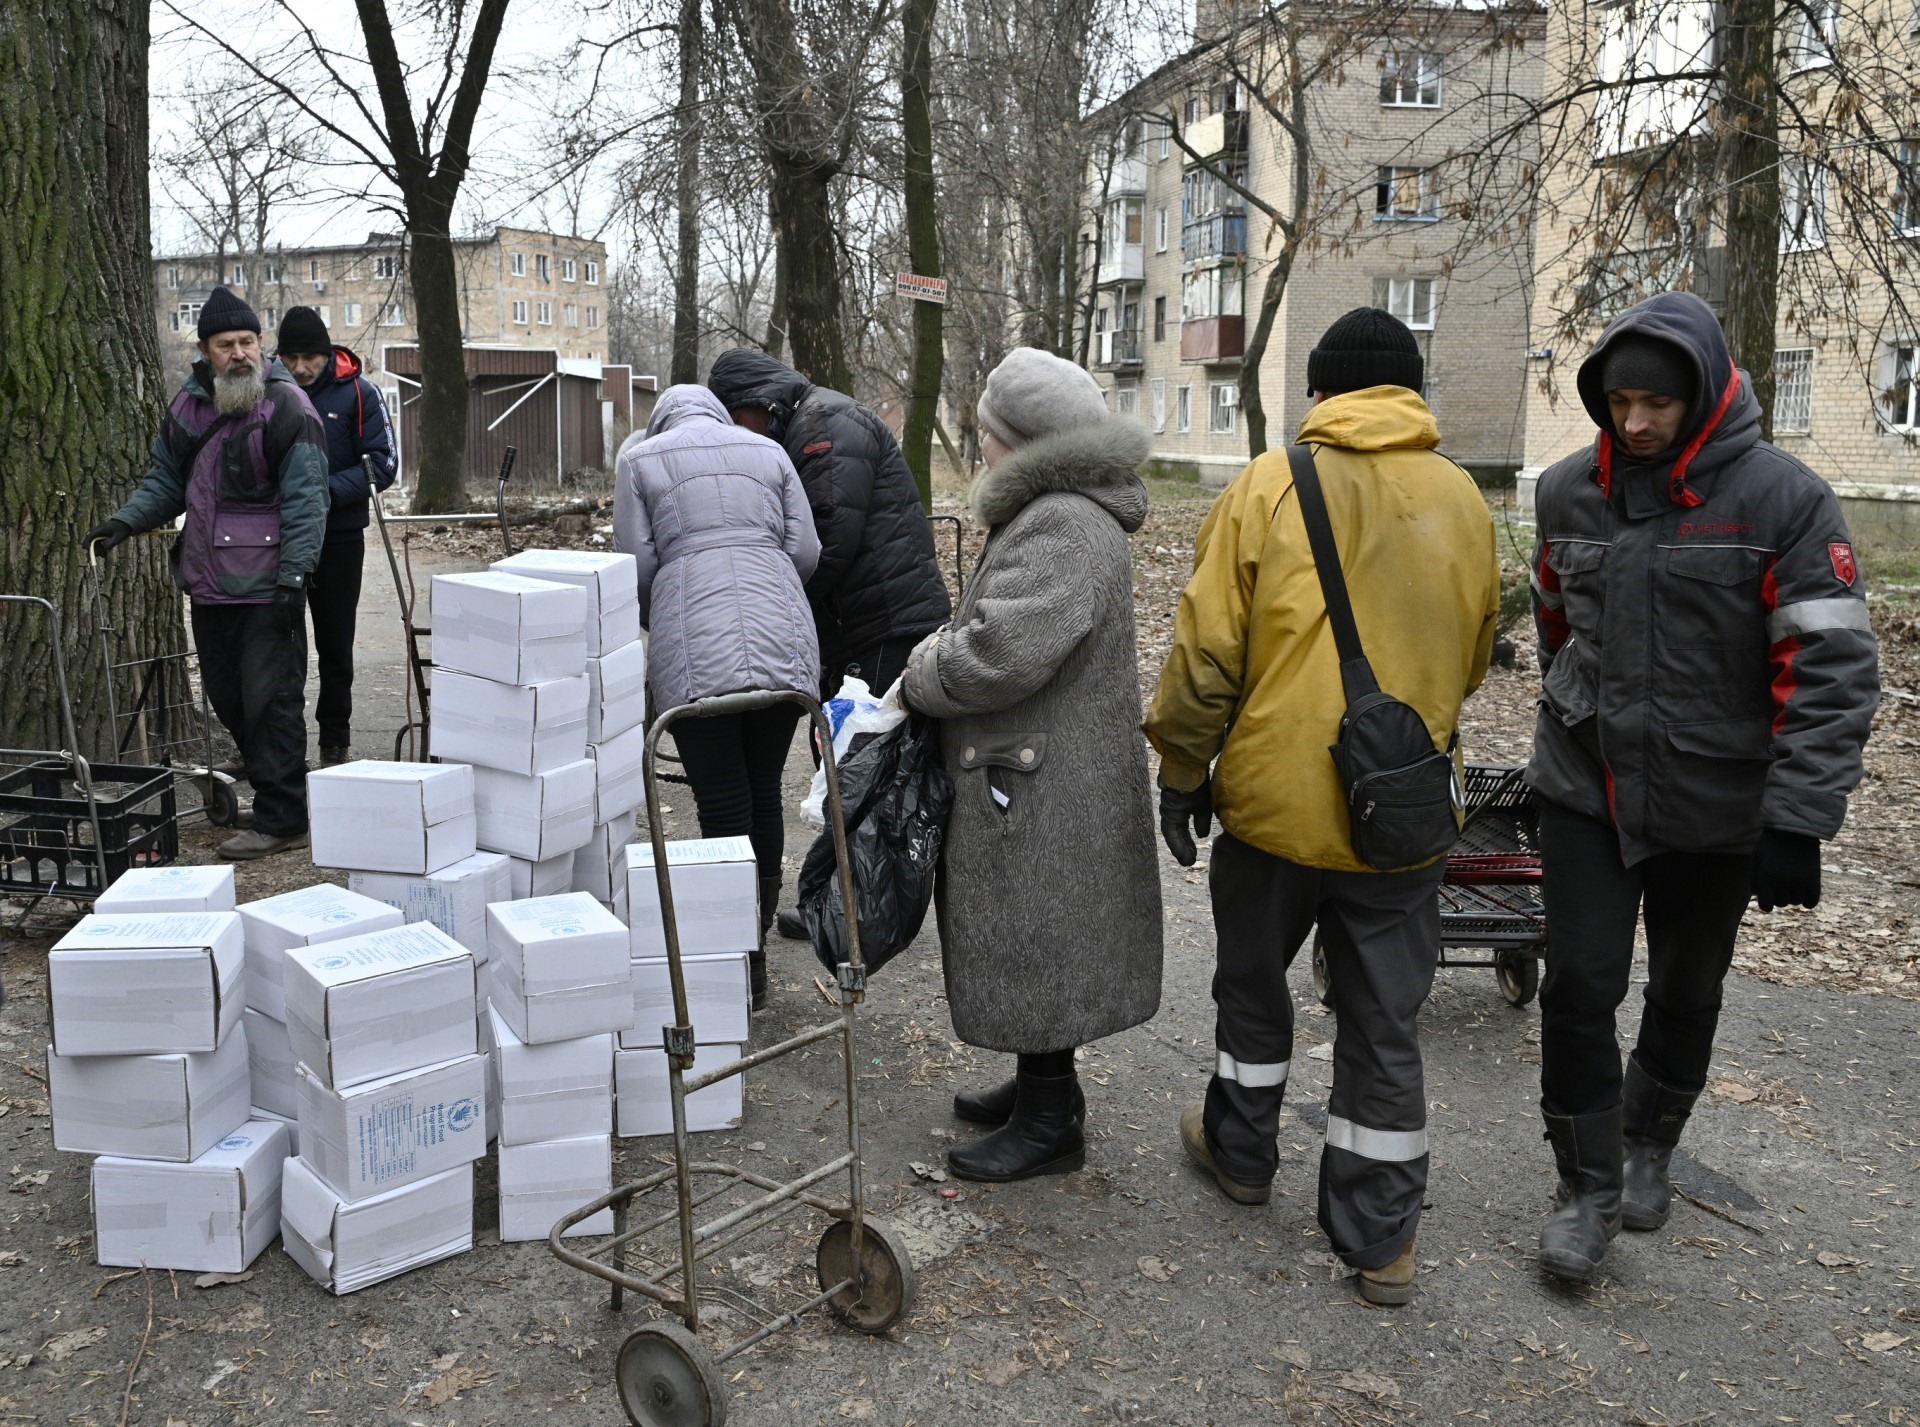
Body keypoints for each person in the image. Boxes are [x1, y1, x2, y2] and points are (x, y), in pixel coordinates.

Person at [1144, 307, 1501, 1306]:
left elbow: (1207, 654)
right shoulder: (1463, 497)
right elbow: (1472, 655)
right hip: (1404, 812)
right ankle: (1381, 1242)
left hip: (1273, 810)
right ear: (1411, 390)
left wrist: (1181, 770)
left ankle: (1243, 1153)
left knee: (1254, 989)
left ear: (1322, 391)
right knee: (1386, 1022)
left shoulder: (1269, 484)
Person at [1527, 291, 1879, 1284]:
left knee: (1687, 985)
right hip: (1588, 785)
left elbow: (1832, 668)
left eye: (1657, 404)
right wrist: (1576, 710)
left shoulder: (1783, 502)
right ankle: (1586, 1187)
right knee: (1581, 982)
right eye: (1619, 400)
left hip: (1715, 799)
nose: (1634, 422)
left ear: (1706, 397)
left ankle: (1648, 1143)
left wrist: (1800, 818)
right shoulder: (1565, 492)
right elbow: (1559, 623)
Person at [901, 346, 1162, 1183]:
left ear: (1023, 442)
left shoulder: (1064, 524)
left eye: (986, 433)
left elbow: (1002, 655)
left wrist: (924, 672)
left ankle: (1051, 1118)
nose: (979, 447)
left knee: (1042, 936)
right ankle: (1041, 1089)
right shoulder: (1062, 513)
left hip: (1045, 784)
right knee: (1036, 935)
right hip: (1038, 771)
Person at [707, 349, 952, 941]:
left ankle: (861, 915)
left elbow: (826, 542)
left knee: (862, 772)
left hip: (880, 624)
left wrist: (767, 601)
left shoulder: (824, 427)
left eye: (732, 421)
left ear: (757, 406)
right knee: (842, 767)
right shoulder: (812, 421)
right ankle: (844, 906)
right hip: (861, 623)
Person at [86, 287, 328, 860]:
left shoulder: (289, 408)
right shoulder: (188, 407)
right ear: (205, 350)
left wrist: (294, 578)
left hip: (270, 589)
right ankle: (275, 794)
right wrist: (123, 522)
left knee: (273, 702)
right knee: (229, 699)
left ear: (260, 344)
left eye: (248, 341)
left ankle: (283, 816)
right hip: (209, 587)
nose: (240, 353)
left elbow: (307, 500)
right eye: (226, 344)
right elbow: (165, 481)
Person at [613, 385, 821, 1010]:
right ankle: (754, 940)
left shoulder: (640, 459)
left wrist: (671, 603)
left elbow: (634, 565)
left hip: (693, 645)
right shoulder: (768, 450)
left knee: (721, 803)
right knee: (764, 794)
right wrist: (767, 578)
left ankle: (739, 962)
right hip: (784, 635)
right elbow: (806, 549)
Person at [274, 306, 397, 766]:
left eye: (311, 358)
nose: (302, 368)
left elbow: (383, 464)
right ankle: (283, 746)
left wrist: (318, 493)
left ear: (328, 356)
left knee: (335, 645)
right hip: (278, 541)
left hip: (339, 539)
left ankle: (334, 741)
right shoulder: (268, 393)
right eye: (292, 358)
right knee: (279, 647)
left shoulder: (359, 394)